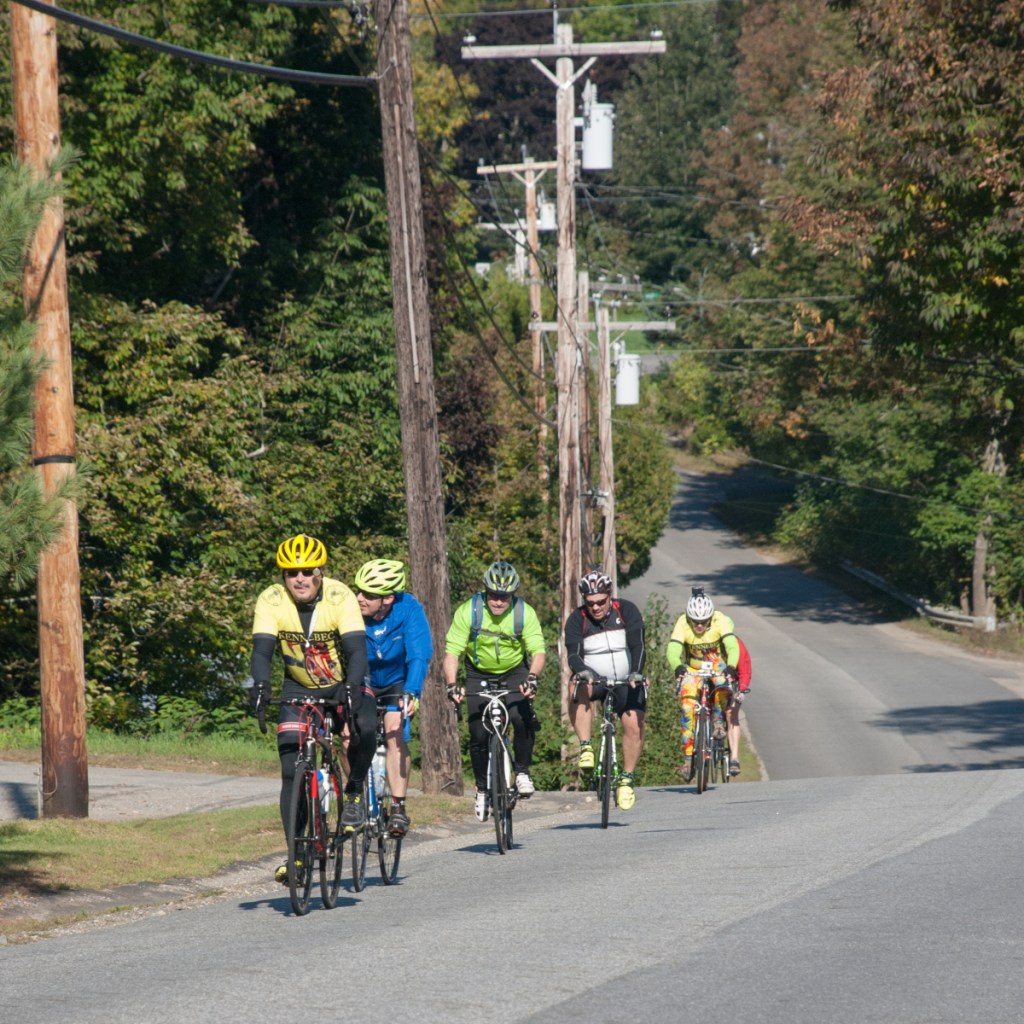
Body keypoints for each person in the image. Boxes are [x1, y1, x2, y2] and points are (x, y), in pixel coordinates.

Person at [249, 533, 375, 884]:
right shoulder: (271, 600)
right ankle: (297, 856)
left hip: (342, 682)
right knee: (292, 770)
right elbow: (261, 652)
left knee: (365, 726)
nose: (299, 578)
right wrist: (260, 686)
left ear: (320, 572)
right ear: (283, 577)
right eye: (291, 573)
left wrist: (351, 688)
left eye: (307, 571)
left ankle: (353, 792)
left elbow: (357, 652)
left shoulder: (340, 596)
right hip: (298, 687)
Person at [443, 560, 546, 822]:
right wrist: (452, 683)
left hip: (514, 672)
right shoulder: (469, 611)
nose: (498, 602)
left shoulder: (524, 613)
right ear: (485, 592)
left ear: (512, 596)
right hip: (479, 673)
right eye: (493, 596)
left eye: (504, 597)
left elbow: (538, 651)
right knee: (478, 732)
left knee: (522, 718)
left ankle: (522, 772)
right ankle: (481, 789)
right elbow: (452, 652)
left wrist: (532, 678)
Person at [352, 557, 432, 837]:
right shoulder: (351, 610)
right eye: (358, 591)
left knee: (395, 732)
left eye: (368, 595)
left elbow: (419, 654)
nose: (359, 598)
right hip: (362, 681)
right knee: (349, 735)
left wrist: (412, 692)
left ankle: (398, 807)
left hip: (397, 681)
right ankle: (356, 796)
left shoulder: (408, 609)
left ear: (387, 598)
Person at [563, 569, 648, 811]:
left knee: (634, 723)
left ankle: (627, 778)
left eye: (601, 602)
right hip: (595, 679)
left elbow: (638, 644)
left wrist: (636, 672)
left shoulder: (627, 610)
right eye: (590, 603)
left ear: (610, 596)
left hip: (625, 678)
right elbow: (573, 654)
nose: (596, 608)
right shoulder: (577, 619)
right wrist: (583, 671)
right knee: (578, 685)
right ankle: (586, 746)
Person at [666, 586, 741, 783]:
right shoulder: (682, 622)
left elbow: (732, 646)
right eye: (695, 622)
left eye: (703, 622)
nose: (699, 626)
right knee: (686, 707)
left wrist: (731, 666)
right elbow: (673, 649)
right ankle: (689, 759)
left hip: (718, 665)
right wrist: (677, 666)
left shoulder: (719, 620)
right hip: (693, 668)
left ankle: (717, 722)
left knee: (722, 684)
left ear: (710, 617)